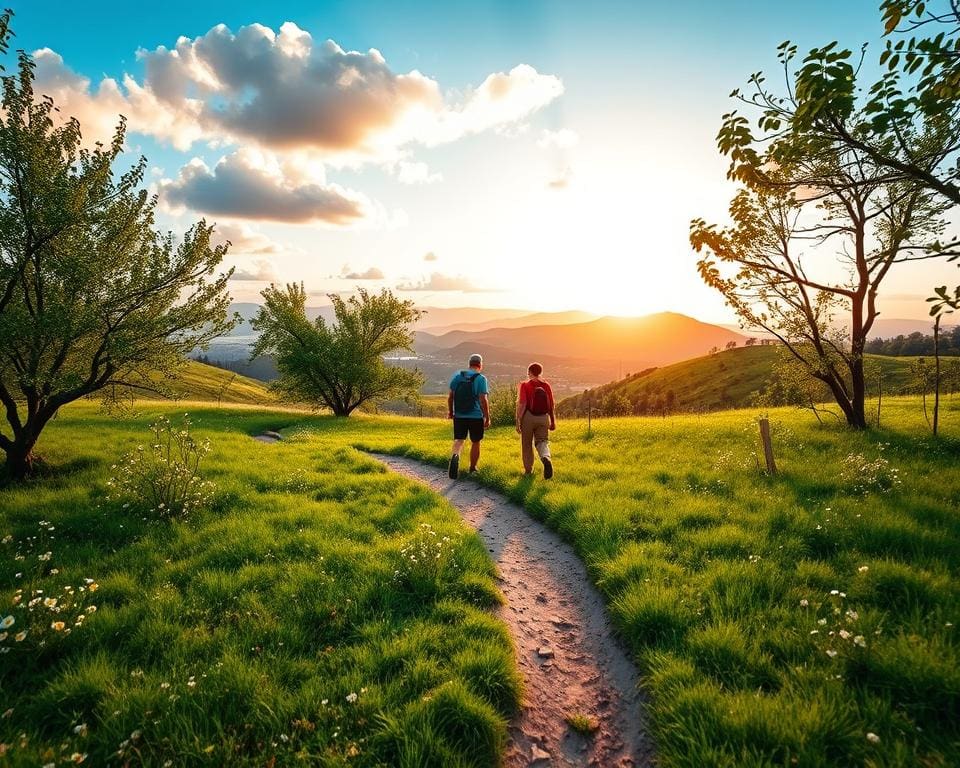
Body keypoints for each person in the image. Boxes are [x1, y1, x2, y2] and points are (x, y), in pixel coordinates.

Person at [447, 353, 490, 479]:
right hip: (476, 416)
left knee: (459, 440)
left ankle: (455, 455)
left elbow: (450, 397)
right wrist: (487, 416)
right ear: (480, 365)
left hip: (459, 415)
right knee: (476, 441)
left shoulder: (457, 377)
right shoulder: (481, 378)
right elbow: (483, 399)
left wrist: (451, 412)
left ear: (469, 364)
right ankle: (473, 468)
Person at [515, 362, 555, 478]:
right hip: (543, 417)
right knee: (542, 441)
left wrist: (518, 420)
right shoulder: (546, 385)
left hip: (528, 417)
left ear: (530, 372)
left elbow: (522, 404)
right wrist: (552, 421)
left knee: (527, 444)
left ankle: (528, 471)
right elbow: (551, 405)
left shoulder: (525, 385)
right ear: (540, 372)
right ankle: (546, 457)